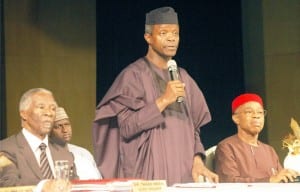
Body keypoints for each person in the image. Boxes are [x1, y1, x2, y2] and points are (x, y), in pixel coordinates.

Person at [92, 6, 218, 186]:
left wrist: (197, 160)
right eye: (164, 32)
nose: (171, 38)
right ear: (148, 37)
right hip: (150, 170)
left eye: (175, 33)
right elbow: (126, 127)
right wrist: (164, 100)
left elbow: (194, 128)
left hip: (183, 171)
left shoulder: (184, 77)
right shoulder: (133, 75)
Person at [0, 88, 77, 189]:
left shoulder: (64, 152)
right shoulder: (5, 149)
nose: (49, 113)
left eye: (53, 108)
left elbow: (75, 186)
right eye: (41, 107)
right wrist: (43, 187)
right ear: (24, 114)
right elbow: (8, 185)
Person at [214, 93, 299, 183]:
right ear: (236, 118)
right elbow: (229, 182)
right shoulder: (227, 147)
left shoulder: (269, 150)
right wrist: (269, 180)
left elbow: (281, 179)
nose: (256, 116)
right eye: (249, 112)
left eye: (260, 112)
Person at [50, 107, 102, 180]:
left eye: (67, 124)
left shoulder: (83, 153)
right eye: (58, 126)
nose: (65, 130)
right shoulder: (47, 156)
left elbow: (98, 181)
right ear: (49, 131)